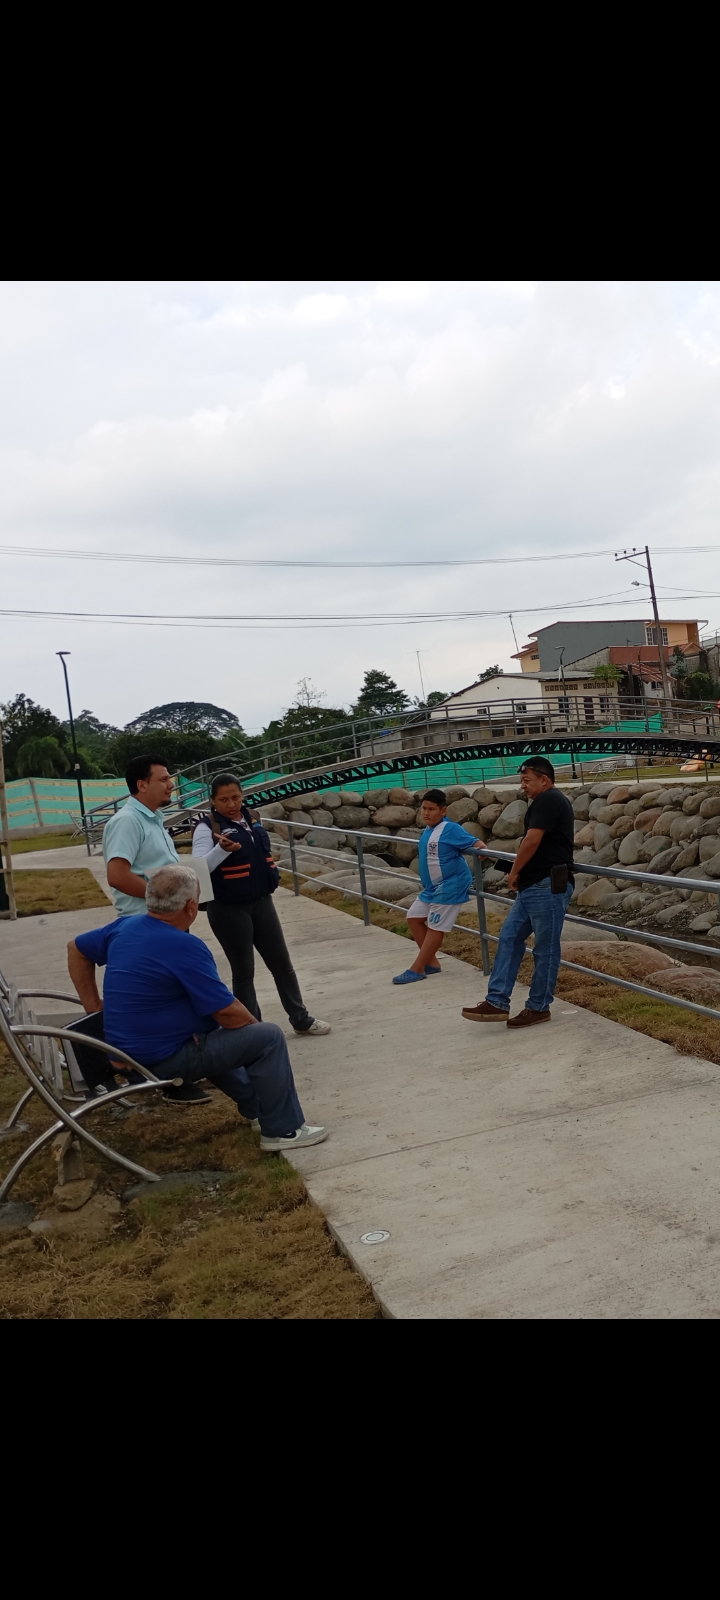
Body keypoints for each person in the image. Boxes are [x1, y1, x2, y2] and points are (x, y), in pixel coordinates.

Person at [67, 863, 328, 1152]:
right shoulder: (184, 945)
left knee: (209, 1029)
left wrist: (93, 1008)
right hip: (158, 1061)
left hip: (125, 1053)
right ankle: (283, 1130)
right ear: (191, 906)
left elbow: (76, 948)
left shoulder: (124, 927)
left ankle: (258, 1109)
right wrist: (254, 1033)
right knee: (267, 1037)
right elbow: (228, 1014)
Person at [192, 772, 330, 1037]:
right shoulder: (207, 827)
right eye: (223, 800)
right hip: (228, 908)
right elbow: (199, 867)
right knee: (244, 971)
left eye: (235, 797)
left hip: (262, 902)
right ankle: (252, 1030)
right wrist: (220, 850)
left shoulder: (253, 818)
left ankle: (301, 1019)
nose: (231, 804)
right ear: (213, 801)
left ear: (242, 795)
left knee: (282, 964)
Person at [461, 756, 574, 1028]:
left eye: (526, 780)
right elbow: (536, 843)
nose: (522, 785)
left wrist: (513, 871)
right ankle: (497, 1001)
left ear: (544, 780)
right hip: (533, 885)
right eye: (521, 780)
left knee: (545, 950)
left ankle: (539, 1007)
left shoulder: (549, 800)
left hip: (547, 885)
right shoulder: (544, 802)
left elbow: (532, 841)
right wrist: (519, 872)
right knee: (510, 938)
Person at [392, 788, 484, 985]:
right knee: (414, 917)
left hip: (450, 884)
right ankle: (432, 963)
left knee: (435, 926)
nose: (426, 813)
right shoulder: (428, 829)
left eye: (431, 809)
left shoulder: (450, 829)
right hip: (432, 888)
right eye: (424, 808)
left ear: (443, 811)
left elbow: (478, 843)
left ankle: (417, 969)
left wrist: (481, 852)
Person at [103, 755, 180, 915]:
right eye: (164, 780)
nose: (171, 785)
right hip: (146, 920)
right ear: (142, 785)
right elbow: (118, 876)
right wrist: (163, 898)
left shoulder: (153, 818)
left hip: (167, 918)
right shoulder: (128, 820)